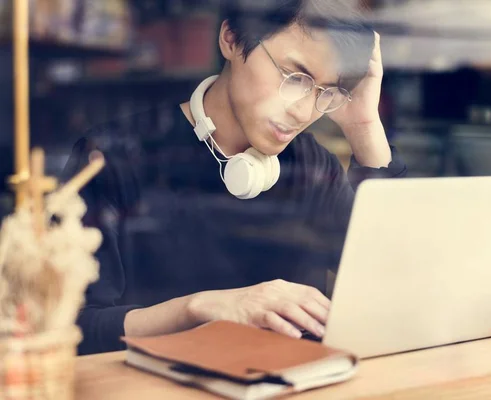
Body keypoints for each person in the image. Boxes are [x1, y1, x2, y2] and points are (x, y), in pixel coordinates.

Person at [63, 0, 407, 355]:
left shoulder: (315, 168)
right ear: (230, 39)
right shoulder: (111, 158)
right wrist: (196, 309)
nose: (304, 110)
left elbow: (397, 289)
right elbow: (71, 327)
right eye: (296, 77)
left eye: (326, 92)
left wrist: (364, 126)